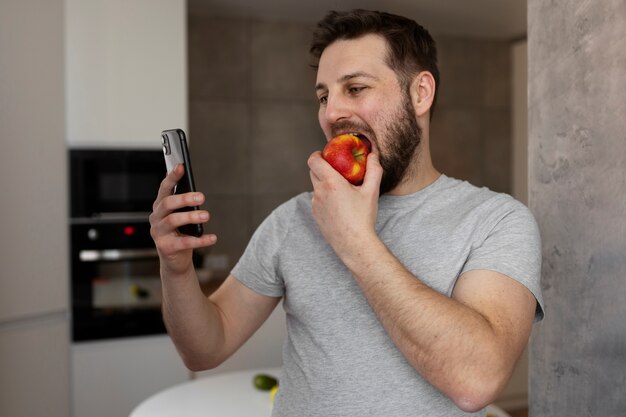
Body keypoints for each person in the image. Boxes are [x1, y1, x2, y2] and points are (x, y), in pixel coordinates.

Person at [150, 9, 544, 417]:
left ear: (420, 93)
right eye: (323, 96)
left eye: (355, 88)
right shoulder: (293, 220)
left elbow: (476, 381)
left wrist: (355, 241)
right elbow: (203, 349)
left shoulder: (497, 221)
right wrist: (176, 270)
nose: (331, 112)